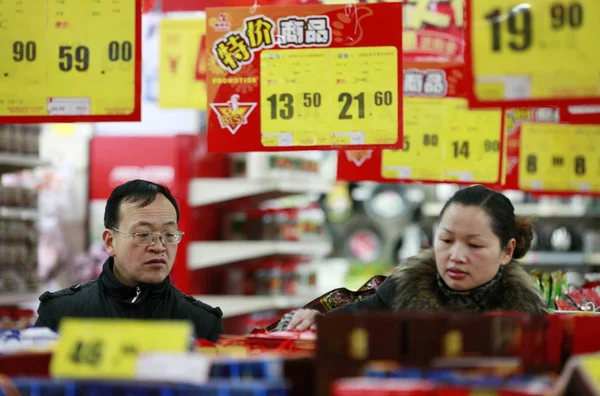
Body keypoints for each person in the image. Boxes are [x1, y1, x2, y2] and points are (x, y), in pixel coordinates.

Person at [284, 185, 546, 332]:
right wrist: (319, 321)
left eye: (474, 245)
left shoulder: (527, 318)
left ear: (507, 252)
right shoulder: (400, 291)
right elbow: (354, 316)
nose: (456, 256)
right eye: (446, 240)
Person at [35, 180, 224, 342]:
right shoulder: (62, 314)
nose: (159, 247)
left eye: (168, 234)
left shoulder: (202, 324)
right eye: (143, 234)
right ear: (110, 242)